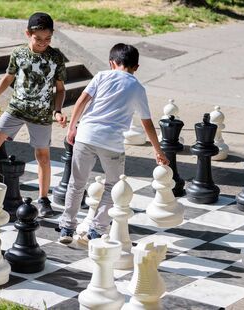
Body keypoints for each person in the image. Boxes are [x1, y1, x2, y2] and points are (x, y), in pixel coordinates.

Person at [58, 43, 169, 244]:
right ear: (136, 67)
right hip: (111, 142)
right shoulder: (137, 87)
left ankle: (67, 227)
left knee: (76, 183)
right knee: (113, 186)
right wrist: (158, 150)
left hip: (86, 135)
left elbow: (81, 101)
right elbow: (147, 123)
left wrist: (72, 127)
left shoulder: (101, 76)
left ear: (112, 63)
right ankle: (96, 229)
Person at [0, 12, 67, 218]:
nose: (43, 43)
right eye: (38, 39)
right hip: (16, 108)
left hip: (42, 114)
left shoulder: (56, 58)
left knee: (43, 157)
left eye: (48, 39)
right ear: (28, 34)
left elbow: (60, 89)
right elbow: (7, 79)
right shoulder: (18, 54)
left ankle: (43, 199)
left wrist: (58, 110)